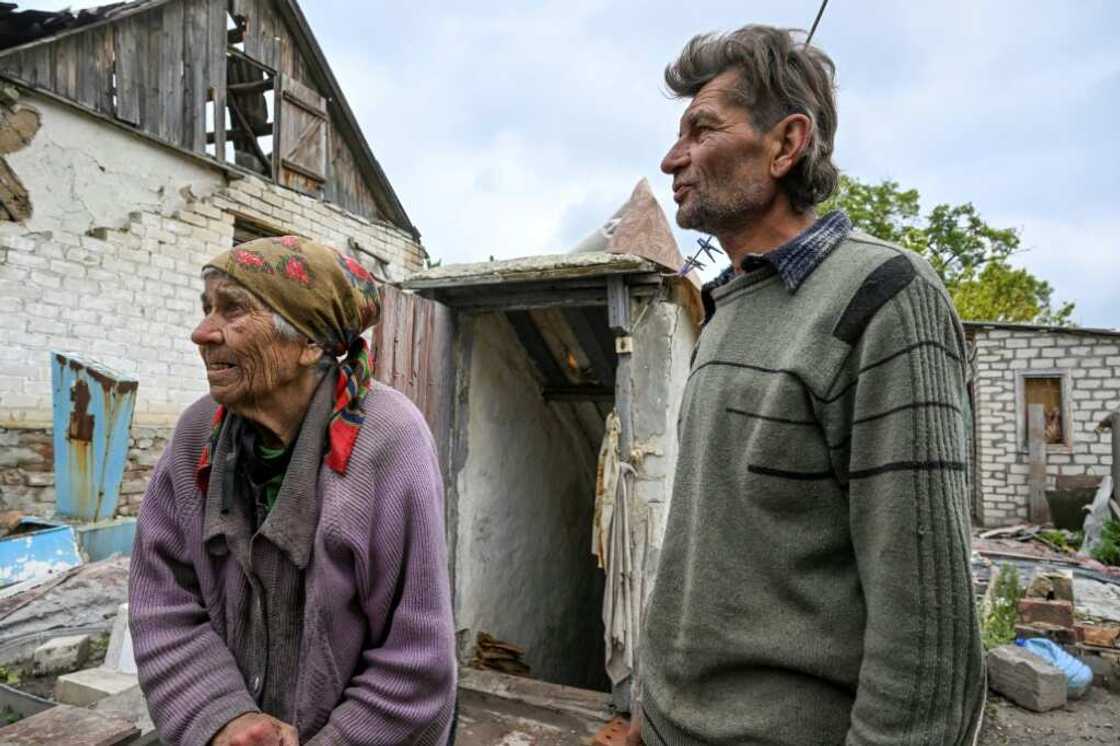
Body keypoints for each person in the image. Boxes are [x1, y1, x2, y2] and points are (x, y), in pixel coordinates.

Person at [629, 25, 984, 745]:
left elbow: (928, 640)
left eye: (701, 130)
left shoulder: (884, 296)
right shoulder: (726, 306)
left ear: (785, 144)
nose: (672, 159)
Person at [128, 236, 457, 745]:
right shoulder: (198, 433)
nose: (201, 332)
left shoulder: (389, 442)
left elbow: (415, 663)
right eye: (206, 308)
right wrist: (222, 718)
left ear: (309, 342)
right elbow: (164, 601)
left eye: (232, 309)